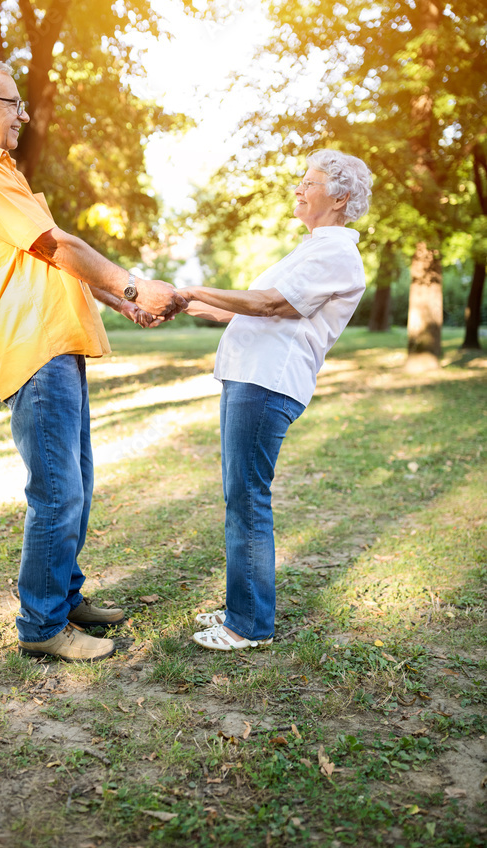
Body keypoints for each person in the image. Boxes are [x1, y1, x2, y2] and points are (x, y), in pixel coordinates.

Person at [0, 57, 184, 663]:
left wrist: (116, 303)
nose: (24, 114)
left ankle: (65, 596)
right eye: (13, 103)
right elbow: (55, 244)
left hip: (55, 341)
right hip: (32, 345)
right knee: (56, 492)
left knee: (77, 483)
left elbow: (51, 258)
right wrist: (130, 285)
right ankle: (42, 625)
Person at [179, 150, 372, 651]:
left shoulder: (335, 254)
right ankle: (245, 606)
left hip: (268, 383)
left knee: (247, 498)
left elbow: (271, 304)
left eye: (309, 183)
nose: (298, 190)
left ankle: (248, 626)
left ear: (340, 197)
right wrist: (187, 304)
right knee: (239, 496)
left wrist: (196, 288)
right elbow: (253, 311)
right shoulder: (311, 249)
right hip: (249, 376)